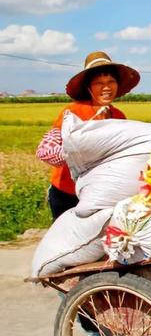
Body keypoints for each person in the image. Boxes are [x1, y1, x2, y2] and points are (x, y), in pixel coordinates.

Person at [36, 51, 140, 220]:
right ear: (88, 87)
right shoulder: (72, 113)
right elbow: (45, 150)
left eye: (111, 81)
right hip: (68, 193)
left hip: (101, 193)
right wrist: (78, 156)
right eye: (99, 83)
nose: (106, 87)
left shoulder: (119, 116)